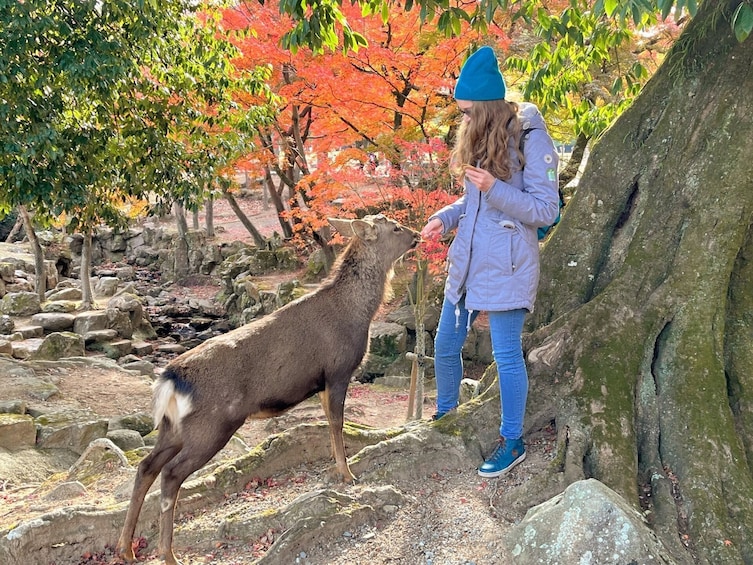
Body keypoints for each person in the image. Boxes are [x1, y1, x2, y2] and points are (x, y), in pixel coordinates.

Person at [420, 46, 560, 478]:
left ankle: (511, 440)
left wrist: (495, 188)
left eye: (467, 112)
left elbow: (545, 211)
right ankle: (447, 418)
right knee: (445, 345)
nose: (463, 121)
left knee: (505, 356)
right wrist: (444, 219)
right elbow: (473, 202)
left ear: (486, 107)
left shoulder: (532, 138)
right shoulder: (482, 136)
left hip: (510, 265)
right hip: (468, 261)